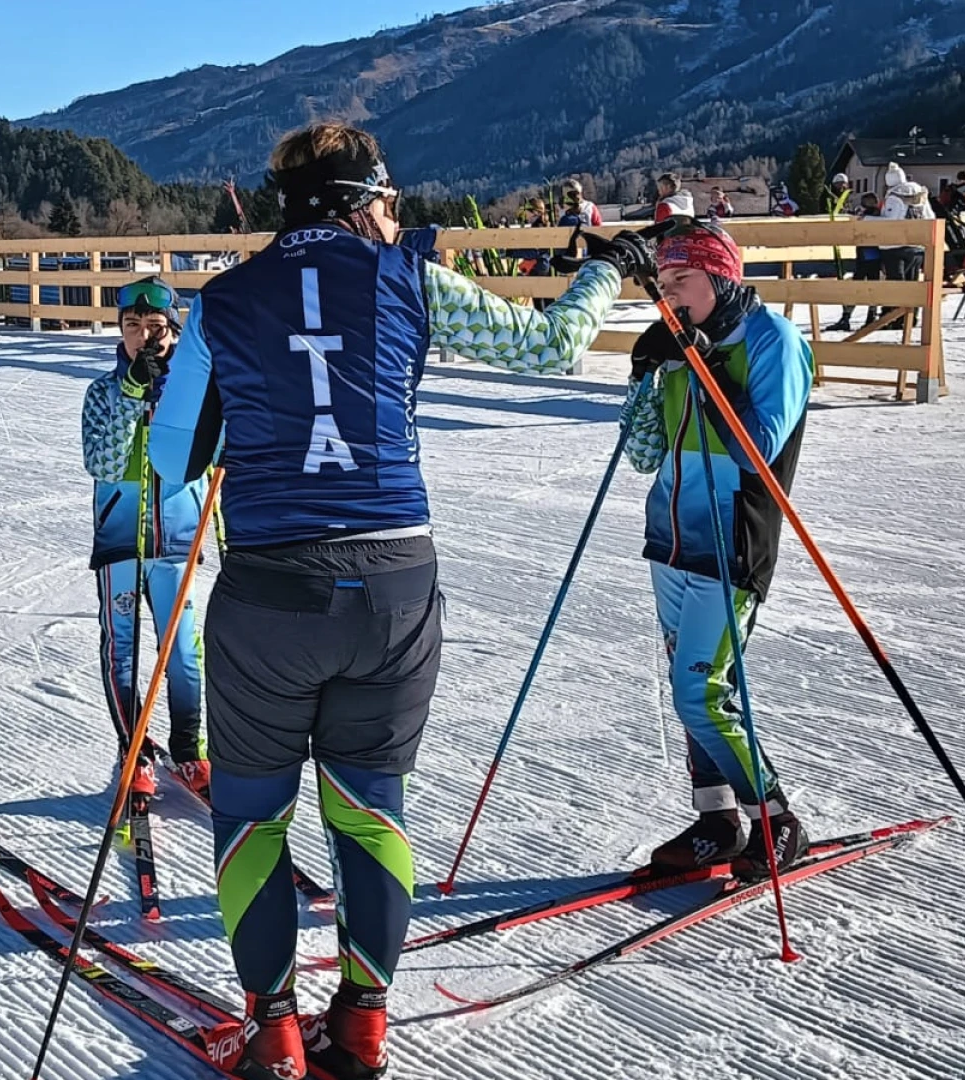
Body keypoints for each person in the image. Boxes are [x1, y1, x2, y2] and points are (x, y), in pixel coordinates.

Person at [147, 121, 645, 1080]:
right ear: (357, 200)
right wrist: (604, 272)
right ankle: (365, 1022)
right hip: (392, 588)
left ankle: (274, 1027)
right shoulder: (410, 276)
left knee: (254, 814)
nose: (397, 214)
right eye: (389, 200)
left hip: (270, 594)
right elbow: (546, 346)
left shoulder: (222, 302)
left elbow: (175, 457)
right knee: (370, 808)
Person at [617, 221, 813, 877]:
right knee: (688, 688)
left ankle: (776, 817)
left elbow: (758, 446)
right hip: (670, 540)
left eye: (683, 282)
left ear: (721, 276)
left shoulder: (773, 340)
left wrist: (703, 368)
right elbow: (644, 455)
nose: (671, 297)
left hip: (734, 540)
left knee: (702, 694)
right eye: (663, 286)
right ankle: (718, 819)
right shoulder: (680, 342)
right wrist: (643, 377)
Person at [80, 278, 211, 799]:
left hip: (177, 535)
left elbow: (216, 451)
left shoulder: (193, 386)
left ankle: (187, 748)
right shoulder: (102, 392)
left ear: (172, 332)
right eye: (132, 328)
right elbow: (103, 462)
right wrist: (133, 394)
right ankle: (132, 747)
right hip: (120, 538)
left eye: (154, 328)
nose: (143, 338)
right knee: (123, 647)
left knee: (181, 651)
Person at [877, 163, 932, 322]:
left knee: (896, 284)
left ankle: (896, 318)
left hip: (894, 246)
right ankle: (911, 317)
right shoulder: (921, 193)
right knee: (912, 284)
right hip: (917, 245)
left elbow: (890, 222)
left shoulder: (894, 196)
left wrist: (867, 220)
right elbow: (930, 217)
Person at [828, 192, 886, 331]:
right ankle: (851, 317)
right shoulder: (870, 215)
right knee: (861, 287)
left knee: (866, 288)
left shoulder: (873, 217)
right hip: (866, 256)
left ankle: (866, 316)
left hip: (871, 257)